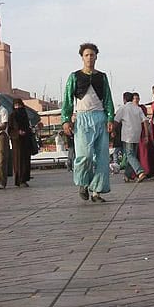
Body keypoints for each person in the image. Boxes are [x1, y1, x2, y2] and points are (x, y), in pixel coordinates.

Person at [62, 43, 115, 202]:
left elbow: (108, 99)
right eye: (86, 55)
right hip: (82, 119)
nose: (89, 58)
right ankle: (83, 183)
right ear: (82, 57)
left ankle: (96, 191)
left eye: (92, 55)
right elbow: (67, 100)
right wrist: (66, 120)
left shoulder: (102, 77)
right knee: (84, 155)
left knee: (102, 157)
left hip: (100, 118)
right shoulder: (74, 76)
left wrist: (110, 118)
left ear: (96, 57)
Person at [114, 92, 147, 183]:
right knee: (131, 156)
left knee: (129, 155)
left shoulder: (123, 108)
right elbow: (145, 120)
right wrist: (147, 134)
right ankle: (127, 175)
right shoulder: (138, 108)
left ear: (124, 99)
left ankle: (140, 171)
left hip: (127, 135)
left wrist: (112, 131)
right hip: (136, 135)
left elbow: (116, 121)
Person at [8, 98, 33, 187]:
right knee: (18, 160)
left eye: (19, 105)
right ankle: (19, 180)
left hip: (26, 140)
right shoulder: (12, 116)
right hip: (17, 142)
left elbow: (28, 127)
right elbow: (10, 130)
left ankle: (25, 179)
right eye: (16, 105)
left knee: (26, 160)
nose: (18, 107)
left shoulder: (25, 115)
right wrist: (18, 132)